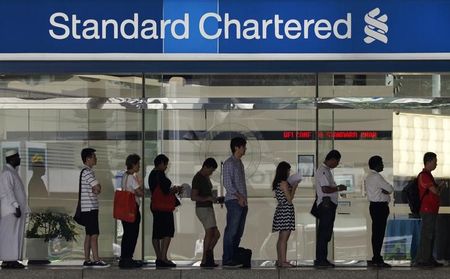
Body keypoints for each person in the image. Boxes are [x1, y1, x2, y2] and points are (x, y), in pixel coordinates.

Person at [148, 154, 183, 268]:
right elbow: (166, 191)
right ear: (161, 163)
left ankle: (159, 257)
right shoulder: (160, 174)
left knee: (157, 232)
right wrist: (176, 189)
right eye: (166, 164)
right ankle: (163, 258)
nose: (167, 166)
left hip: (155, 206)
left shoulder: (151, 175)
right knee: (167, 231)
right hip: (164, 208)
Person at [314, 150, 347, 268]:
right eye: (337, 162)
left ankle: (323, 258)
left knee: (326, 233)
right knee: (324, 233)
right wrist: (338, 188)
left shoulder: (327, 171)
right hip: (326, 205)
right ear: (332, 159)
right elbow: (325, 189)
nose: (337, 164)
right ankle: (321, 259)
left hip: (328, 205)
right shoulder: (323, 171)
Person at [413, 152, 445, 267]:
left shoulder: (429, 175)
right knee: (427, 235)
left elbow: (435, 192)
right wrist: (441, 185)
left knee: (431, 234)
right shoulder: (424, 175)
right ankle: (422, 259)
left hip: (431, 209)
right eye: (435, 162)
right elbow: (435, 191)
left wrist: (438, 187)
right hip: (427, 209)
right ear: (429, 161)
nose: (436, 164)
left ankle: (429, 258)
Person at [79, 148, 109, 267]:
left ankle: (87, 259)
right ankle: (96, 259)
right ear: (88, 159)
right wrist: (98, 187)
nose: (96, 159)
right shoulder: (87, 172)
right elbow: (97, 187)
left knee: (89, 234)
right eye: (94, 157)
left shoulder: (85, 172)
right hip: (90, 207)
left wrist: (96, 188)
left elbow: (96, 188)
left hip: (87, 208)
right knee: (94, 234)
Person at [0, 150, 29, 269]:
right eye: (17, 157)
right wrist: (16, 206)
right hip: (11, 210)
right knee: (10, 235)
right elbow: (8, 191)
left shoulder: (12, 172)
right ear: (12, 159)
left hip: (15, 209)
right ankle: (9, 259)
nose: (20, 159)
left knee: (14, 235)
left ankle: (11, 259)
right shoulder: (7, 173)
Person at [191, 158, 222, 267]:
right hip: (203, 208)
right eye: (211, 170)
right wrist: (208, 198)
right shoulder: (198, 178)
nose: (211, 173)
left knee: (215, 234)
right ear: (205, 167)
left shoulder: (206, 178)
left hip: (208, 207)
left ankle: (208, 255)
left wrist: (213, 198)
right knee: (210, 232)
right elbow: (193, 196)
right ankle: (206, 259)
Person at [222, 136, 248, 268]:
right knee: (231, 231)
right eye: (243, 146)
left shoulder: (239, 163)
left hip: (242, 202)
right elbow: (227, 184)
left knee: (238, 232)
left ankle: (233, 257)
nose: (245, 149)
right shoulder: (229, 163)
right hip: (234, 201)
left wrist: (244, 199)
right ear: (236, 147)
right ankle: (227, 259)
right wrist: (239, 197)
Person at [365, 155, 394, 268]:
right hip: (380, 208)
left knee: (376, 232)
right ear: (376, 165)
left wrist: (384, 191)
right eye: (381, 163)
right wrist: (385, 191)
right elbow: (390, 189)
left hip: (374, 207)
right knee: (379, 233)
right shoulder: (377, 177)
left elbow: (386, 190)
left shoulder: (369, 176)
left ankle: (376, 256)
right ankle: (377, 258)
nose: (383, 165)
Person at [271, 161, 299, 268]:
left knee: (281, 238)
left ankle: (280, 260)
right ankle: (283, 261)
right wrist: (295, 187)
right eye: (288, 170)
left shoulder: (278, 183)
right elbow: (289, 199)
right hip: (286, 211)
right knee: (284, 238)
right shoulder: (283, 183)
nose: (289, 172)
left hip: (281, 210)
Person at [118, 154, 144, 268]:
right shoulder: (132, 177)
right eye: (138, 164)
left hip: (124, 210)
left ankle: (124, 258)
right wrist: (141, 186)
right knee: (132, 234)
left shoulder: (124, 175)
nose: (139, 166)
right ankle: (128, 258)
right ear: (133, 164)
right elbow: (139, 192)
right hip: (132, 209)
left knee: (127, 234)